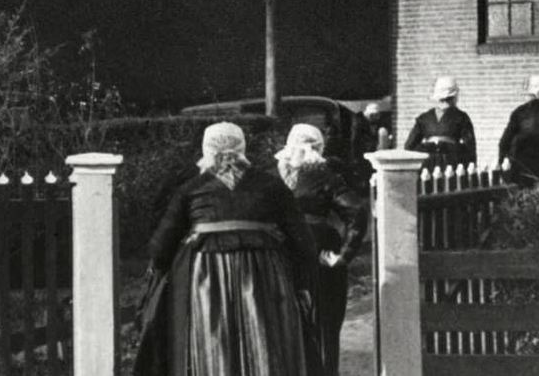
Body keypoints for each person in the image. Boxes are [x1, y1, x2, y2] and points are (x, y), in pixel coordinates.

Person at [133, 122, 320, 376]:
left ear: (207, 150)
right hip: (265, 279)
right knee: (266, 337)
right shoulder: (272, 186)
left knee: (213, 340)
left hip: (206, 282)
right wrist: (300, 283)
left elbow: (160, 248)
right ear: (242, 148)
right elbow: (304, 243)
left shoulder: (191, 189)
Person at [277, 124, 369, 376]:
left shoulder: (273, 176)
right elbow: (357, 211)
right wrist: (344, 256)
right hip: (319, 253)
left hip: (280, 256)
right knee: (323, 327)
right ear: (320, 148)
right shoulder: (326, 177)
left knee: (285, 324)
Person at [404, 76, 477, 170]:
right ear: (454, 97)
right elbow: (470, 149)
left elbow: (409, 146)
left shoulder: (424, 118)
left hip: (427, 165)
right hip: (452, 163)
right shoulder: (461, 117)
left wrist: (428, 147)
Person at [349, 102, 383, 191]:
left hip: (367, 151)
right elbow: (355, 140)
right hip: (361, 153)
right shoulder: (358, 123)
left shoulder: (368, 122)